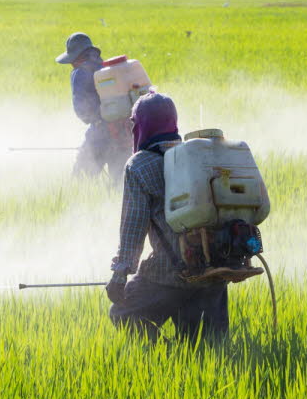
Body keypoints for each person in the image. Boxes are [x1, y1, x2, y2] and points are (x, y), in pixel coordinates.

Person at [106, 93, 229, 342]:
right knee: (208, 353)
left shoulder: (139, 165)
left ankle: (168, 354)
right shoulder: (199, 156)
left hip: (168, 274)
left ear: (142, 125)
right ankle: (180, 363)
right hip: (215, 270)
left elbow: (133, 229)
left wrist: (120, 275)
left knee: (122, 313)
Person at [56, 32, 132, 181]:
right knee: (119, 184)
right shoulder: (105, 68)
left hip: (100, 133)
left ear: (77, 57)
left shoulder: (79, 73)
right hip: (123, 131)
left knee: (80, 181)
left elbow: (82, 110)